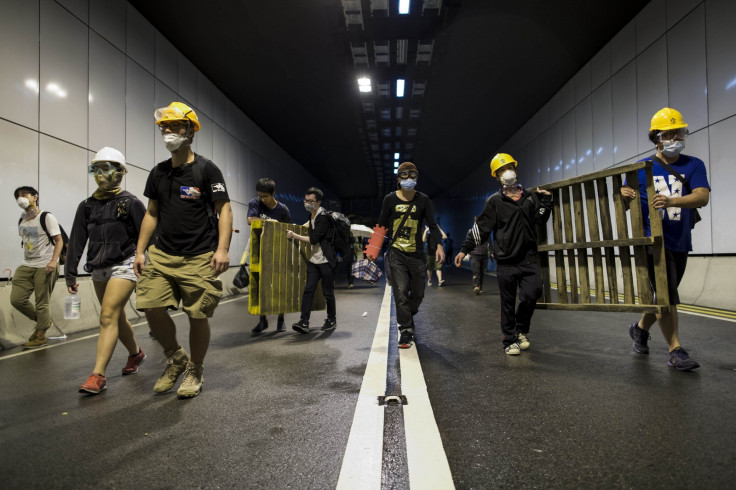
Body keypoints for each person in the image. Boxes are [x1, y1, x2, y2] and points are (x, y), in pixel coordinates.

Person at [134, 102, 232, 398]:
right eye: (164, 127)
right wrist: (140, 251)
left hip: (199, 254)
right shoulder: (158, 173)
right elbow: (152, 213)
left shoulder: (206, 169)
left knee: (197, 314)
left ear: (190, 131)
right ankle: (177, 359)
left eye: (175, 126)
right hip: (163, 254)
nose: (168, 132)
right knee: (151, 306)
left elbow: (223, 208)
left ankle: (196, 368)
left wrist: (222, 249)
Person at [620, 107, 709, 371]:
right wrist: (624, 196)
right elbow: (626, 205)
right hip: (653, 242)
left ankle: (639, 330)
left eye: (679, 132)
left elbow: (702, 196)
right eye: (669, 134)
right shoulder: (640, 169)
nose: (676, 138)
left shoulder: (694, 165)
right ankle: (675, 350)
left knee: (664, 295)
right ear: (657, 138)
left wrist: (672, 201)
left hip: (680, 241)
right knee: (667, 294)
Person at [65, 147, 147, 394]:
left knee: (108, 315)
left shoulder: (131, 203)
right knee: (116, 316)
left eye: (107, 167)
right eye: (96, 168)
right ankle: (136, 354)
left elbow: (147, 236)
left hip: (125, 263)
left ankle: (97, 375)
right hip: (99, 267)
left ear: (121, 172)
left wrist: (149, 266)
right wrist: (70, 272)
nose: (101, 174)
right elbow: (77, 240)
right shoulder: (87, 206)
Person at [455, 153, 552, 355]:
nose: (506, 172)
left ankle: (521, 330)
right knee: (507, 303)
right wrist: (465, 248)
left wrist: (547, 202)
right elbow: (480, 229)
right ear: (496, 176)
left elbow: (540, 220)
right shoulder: (494, 202)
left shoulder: (529, 197)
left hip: (528, 258)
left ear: (515, 170)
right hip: (506, 261)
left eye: (509, 167)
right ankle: (509, 340)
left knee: (532, 294)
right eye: (501, 170)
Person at [376, 162, 445, 349]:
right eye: (404, 176)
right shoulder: (389, 200)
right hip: (396, 252)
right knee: (401, 290)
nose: (408, 180)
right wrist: (372, 251)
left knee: (418, 293)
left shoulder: (423, 200)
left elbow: (432, 225)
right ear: (398, 179)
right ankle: (405, 330)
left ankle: (407, 316)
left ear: (417, 178)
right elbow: (381, 225)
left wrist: (439, 244)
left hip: (416, 254)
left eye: (412, 176)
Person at [11, 186, 63, 348]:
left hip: (45, 264)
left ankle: (40, 335)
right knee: (17, 299)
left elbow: (59, 240)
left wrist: (53, 262)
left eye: (24, 195)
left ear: (35, 197)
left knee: (42, 302)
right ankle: (43, 321)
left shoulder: (46, 217)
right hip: (27, 264)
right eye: (18, 196)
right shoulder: (22, 219)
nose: (21, 198)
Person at [286, 187, 337, 333]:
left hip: (326, 261)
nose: (307, 203)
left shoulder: (323, 217)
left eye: (311, 201)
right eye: (306, 200)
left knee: (328, 293)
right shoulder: (312, 215)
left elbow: (314, 239)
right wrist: (299, 228)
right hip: (314, 261)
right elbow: (309, 226)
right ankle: (304, 322)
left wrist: (294, 236)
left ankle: (331, 319)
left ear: (318, 202)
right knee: (308, 290)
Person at [247, 178, 291, 333]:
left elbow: (287, 230)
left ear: (273, 194)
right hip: (258, 251)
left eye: (265, 196)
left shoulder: (283, 210)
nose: (262, 199)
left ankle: (281, 320)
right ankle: (262, 320)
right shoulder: (255, 203)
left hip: (277, 251)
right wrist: (269, 222)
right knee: (260, 287)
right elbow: (250, 220)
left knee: (279, 286)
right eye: (260, 195)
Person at [469, 226, 493, 295]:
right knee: (476, 271)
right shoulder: (470, 232)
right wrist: (468, 252)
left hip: (484, 254)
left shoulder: (486, 233)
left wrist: (491, 252)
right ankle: (476, 286)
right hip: (474, 254)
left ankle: (480, 288)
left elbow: (490, 243)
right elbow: (468, 242)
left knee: (482, 272)